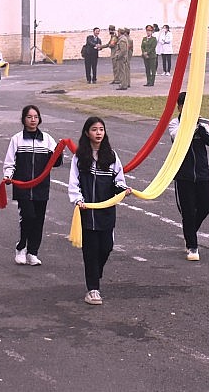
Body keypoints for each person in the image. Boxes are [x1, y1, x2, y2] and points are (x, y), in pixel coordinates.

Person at [68, 116, 130, 306]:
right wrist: (78, 200)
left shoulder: (111, 156)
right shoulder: (79, 158)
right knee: (91, 251)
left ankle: (96, 273)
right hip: (87, 213)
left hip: (106, 213)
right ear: (87, 133)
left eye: (101, 129)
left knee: (106, 248)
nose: (98, 133)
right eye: (94, 129)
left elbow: (119, 180)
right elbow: (74, 183)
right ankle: (93, 289)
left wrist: (122, 190)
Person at [3, 105, 61, 267]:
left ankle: (33, 252)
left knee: (39, 220)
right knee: (28, 216)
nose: (33, 120)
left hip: (41, 187)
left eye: (35, 117)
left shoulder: (48, 139)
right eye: (29, 117)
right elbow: (10, 162)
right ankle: (21, 247)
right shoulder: (17, 139)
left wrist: (58, 152)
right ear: (23, 119)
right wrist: (8, 176)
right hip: (23, 186)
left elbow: (56, 162)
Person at [168, 92, 209, 261]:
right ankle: (192, 246)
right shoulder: (175, 123)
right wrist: (189, 126)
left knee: (205, 206)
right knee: (187, 211)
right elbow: (177, 137)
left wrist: (200, 127)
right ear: (179, 107)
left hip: (202, 173)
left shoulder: (202, 124)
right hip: (183, 175)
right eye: (185, 106)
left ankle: (190, 232)